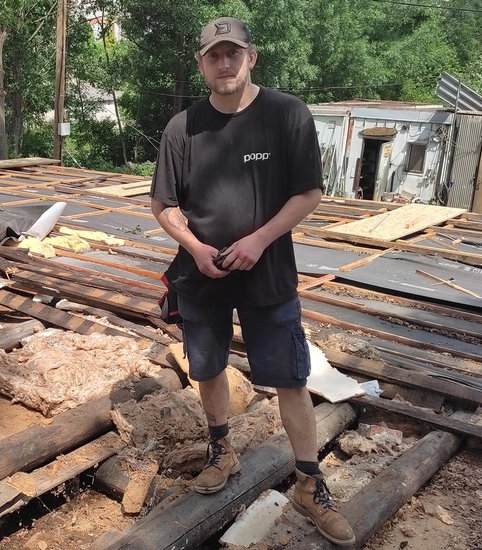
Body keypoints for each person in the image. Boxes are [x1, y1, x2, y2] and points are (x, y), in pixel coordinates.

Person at [150, 17, 355, 546]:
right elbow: (163, 205)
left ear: (251, 58)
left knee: (290, 377)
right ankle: (223, 451)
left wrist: (260, 240)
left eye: (233, 54)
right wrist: (195, 249)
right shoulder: (183, 128)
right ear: (201, 63)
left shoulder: (287, 115)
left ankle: (309, 484)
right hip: (202, 275)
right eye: (214, 55)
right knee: (208, 368)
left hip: (268, 273)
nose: (224, 64)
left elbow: (309, 193)